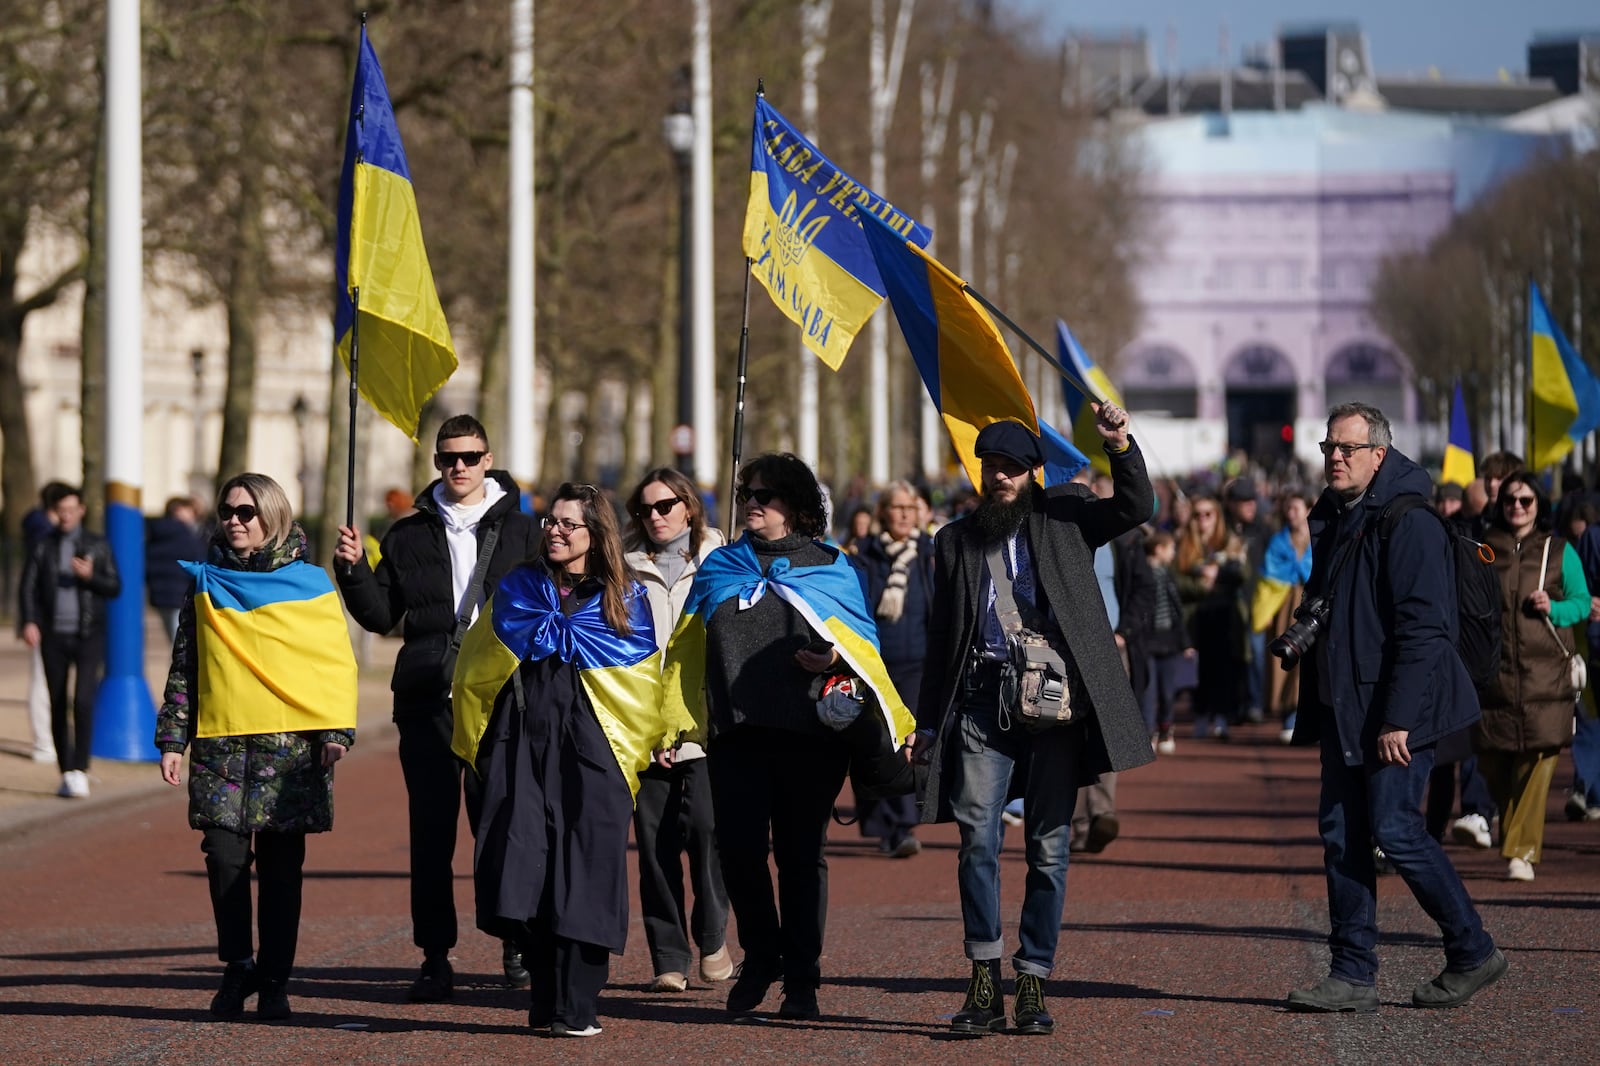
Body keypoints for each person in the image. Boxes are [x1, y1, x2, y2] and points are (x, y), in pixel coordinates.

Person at [913, 408, 1155, 1038]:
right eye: (991, 466)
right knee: (977, 841)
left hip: (1055, 708)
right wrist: (928, 722)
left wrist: (1119, 445)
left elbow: (1137, 506)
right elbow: (941, 636)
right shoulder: (954, 540)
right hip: (978, 704)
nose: (999, 477)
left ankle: (1033, 981)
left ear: (1033, 473)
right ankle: (984, 977)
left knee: (1048, 849)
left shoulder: (1068, 518)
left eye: (1013, 468)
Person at [660, 453, 913, 1021]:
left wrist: (829, 659)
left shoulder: (830, 566)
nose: (752, 501)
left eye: (766, 495)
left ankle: (802, 978)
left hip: (810, 741)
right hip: (737, 737)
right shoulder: (721, 565)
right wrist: (673, 719)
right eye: (748, 492)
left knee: (800, 859)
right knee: (741, 856)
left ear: (796, 509)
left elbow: (862, 652)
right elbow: (685, 649)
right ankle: (761, 957)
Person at [1286, 402, 1505, 1014]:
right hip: (1345, 706)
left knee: (1396, 829)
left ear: (1378, 455)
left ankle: (1472, 950)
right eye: (1329, 446)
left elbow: (1425, 629)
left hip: (1395, 712)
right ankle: (1351, 973)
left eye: (1348, 449)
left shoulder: (1408, 521)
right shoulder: (1336, 514)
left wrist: (1399, 718)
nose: (1335, 457)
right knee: (1343, 835)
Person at [452, 482, 685, 1038]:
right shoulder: (518, 587)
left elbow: (642, 678)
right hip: (522, 743)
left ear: (594, 533)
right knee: (520, 866)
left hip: (594, 747)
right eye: (551, 522)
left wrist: (658, 734)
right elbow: (478, 665)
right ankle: (544, 995)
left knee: (584, 870)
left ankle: (577, 1004)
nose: (554, 531)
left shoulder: (621, 596)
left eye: (567, 524)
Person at [333, 414, 541, 1001]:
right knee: (430, 832)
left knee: (501, 827)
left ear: (488, 457)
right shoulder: (405, 535)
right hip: (427, 697)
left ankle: (515, 941)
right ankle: (434, 955)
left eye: (470, 457)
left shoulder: (525, 532)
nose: (458, 468)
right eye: (447, 458)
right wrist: (351, 573)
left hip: (501, 698)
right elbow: (381, 615)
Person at [155, 473, 358, 1021]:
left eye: (247, 511)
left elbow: (332, 665)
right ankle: (238, 963)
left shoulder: (310, 583)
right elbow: (186, 667)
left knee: (281, 869)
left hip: (290, 750)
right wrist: (174, 738)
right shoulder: (204, 583)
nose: (235, 521)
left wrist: (336, 733)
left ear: (272, 516)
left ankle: (274, 979)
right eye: (227, 511)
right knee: (222, 857)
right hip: (221, 745)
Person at [622, 468, 732, 992]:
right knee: (654, 843)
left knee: (709, 831)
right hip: (642, 726)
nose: (656, 517)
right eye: (645, 509)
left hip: (705, 722)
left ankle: (712, 934)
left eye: (665, 506)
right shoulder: (621, 570)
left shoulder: (723, 561)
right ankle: (668, 955)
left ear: (688, 506)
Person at [1473, 471, 1589, 881]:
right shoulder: (1484, 548)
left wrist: (1554, 609)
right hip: (1494, 675)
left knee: (1538, 760)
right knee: (1491, 761)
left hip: (1546, 677)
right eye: (1510, 500)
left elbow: (1581, 603)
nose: (1517, 507)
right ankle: (1514, 830)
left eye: (1526, 501)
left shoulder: (1559, 552)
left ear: (1539, 505)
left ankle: (1521, 850)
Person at [18, 484, 121, 799]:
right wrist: (30, 622)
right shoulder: (43, 545)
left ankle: (81, 768)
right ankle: (66, 771)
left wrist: (91, 575)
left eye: (70, 510)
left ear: (81, 511)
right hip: (54, 636)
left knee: (84, 701)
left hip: (89, 635)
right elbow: (28, 588)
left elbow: (115, 586)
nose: (65, 516)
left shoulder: (98, 544)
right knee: (58, 702)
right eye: (60, 511)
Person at [849, 480, 936, 858]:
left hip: (918, 664)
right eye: (897, 507)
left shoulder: (929, 554)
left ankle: (902, 826)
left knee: (910, 744)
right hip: (875, 666)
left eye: (910, 508)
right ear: (883, 512)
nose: (904, 514)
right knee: (875, 743)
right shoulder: (864, 555)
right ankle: (882, 821)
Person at [1175, 493, 1247, 740]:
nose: (1203, 520)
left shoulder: (1230, 543)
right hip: (1196, 616)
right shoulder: (1183, 544)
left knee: (1224, 667)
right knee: (1199, 670)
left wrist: (1220, 573)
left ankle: (1221, 716)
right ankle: (1201, 713)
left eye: (1208, 514)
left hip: (1225, 615)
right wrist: (1202, 585)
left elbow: (1242, 575)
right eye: (1198, 515)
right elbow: (1176, 581)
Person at [18, 481, 71, 765]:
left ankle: (51, 740)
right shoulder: (44, 534)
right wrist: (29, 620)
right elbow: (32, 585)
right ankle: (44, 742)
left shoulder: (42, 529)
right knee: (42, 679)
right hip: (43, 619)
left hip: (55, 619)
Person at [1255, 490, 1314, 742]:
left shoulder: (1317, 540)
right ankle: (1287, 715)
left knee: (1307, 662)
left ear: (1307, 511)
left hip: (1309, 607)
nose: (1292, 514)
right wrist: (1265, 611)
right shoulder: (1278, 541)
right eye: (1289, 509)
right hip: (1283, 608)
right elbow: (1267, 578)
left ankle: (1301, 716)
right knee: (1284, 661)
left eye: (1297, 508)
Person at [1141, 530, 1195, 754]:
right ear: (1159, 549)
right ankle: (1149, 731)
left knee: (1167, 691)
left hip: (1169, 642)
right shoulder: (1142, 573)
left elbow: (1176, 612)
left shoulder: (1169, 575)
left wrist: (1185, 643)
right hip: (1148, 642)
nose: (1173, 554)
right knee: (1148, 690)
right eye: (1171, 549)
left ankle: (1166, 728)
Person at [1224, 478, 1272, 725]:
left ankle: (1254, 703)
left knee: (1255, 654)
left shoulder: (1262, 530)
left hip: (1256, 603)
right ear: (1232, 504)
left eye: (1253, 500)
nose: (1251, 505)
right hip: (1226, 604)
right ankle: (1233, 705)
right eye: (1244, 501)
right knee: (1230, 656)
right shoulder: (1222, 529)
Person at [146, 496, 208, 642]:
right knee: (182, 640)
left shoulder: (156, 534)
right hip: (181, 593)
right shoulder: (185, 536)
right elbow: (199, 562)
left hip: (161, 595)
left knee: (175, 637)